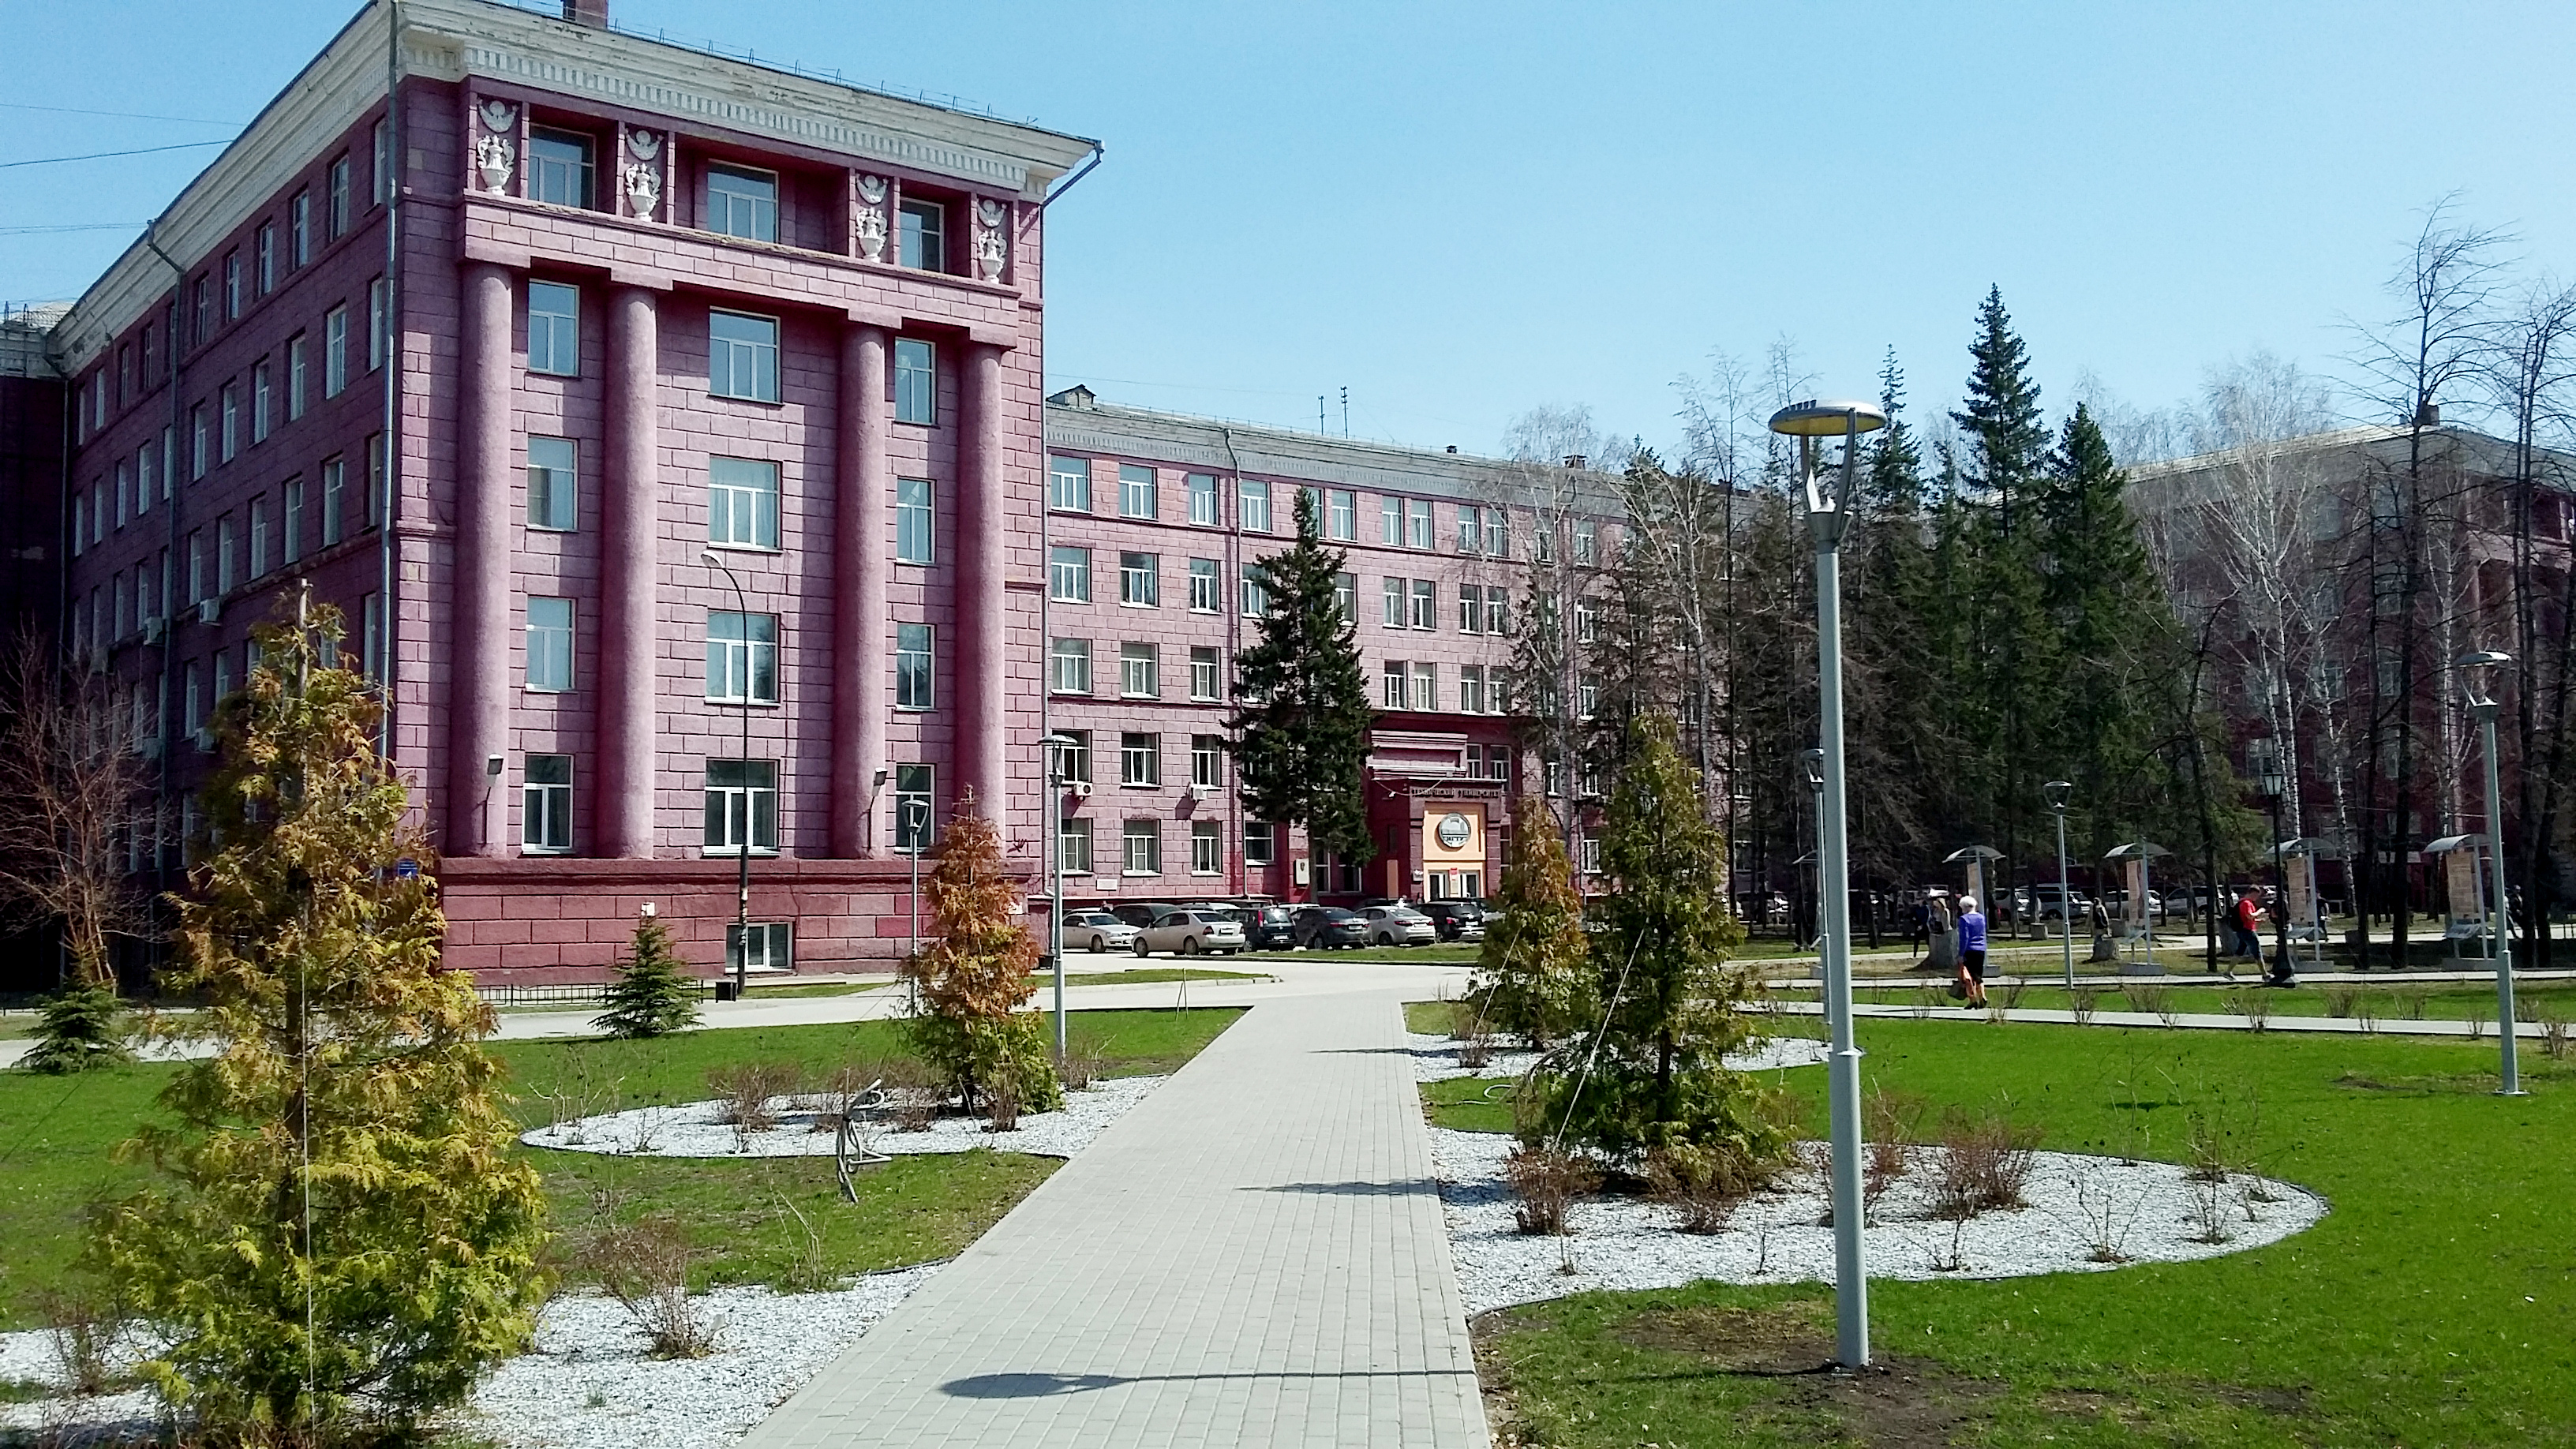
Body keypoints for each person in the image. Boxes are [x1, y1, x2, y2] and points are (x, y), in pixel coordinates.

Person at [1953, 894, 1990, 1007]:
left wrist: (1961, 954)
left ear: (1965, 907)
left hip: (1969, 950)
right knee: (1978, 975)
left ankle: (1973, 1000)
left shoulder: (1964, 919)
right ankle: (1982, 996)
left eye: (1962, 908)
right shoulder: (1981, 918)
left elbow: (1965, 938)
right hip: (1981, 949)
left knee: (1968, 976)